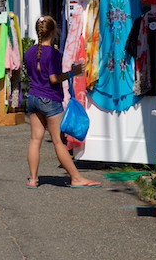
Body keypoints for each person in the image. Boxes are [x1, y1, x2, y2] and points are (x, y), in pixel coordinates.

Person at [23, 16, 101, 189]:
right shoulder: (53, 54)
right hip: (49, 100)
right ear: (54, 31)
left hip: (33, 98)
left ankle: (33, 179)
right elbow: (53, 79)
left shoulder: (29, 51)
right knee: (59, 142)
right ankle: (76, 177)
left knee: (35, 139)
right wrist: (72, 73)